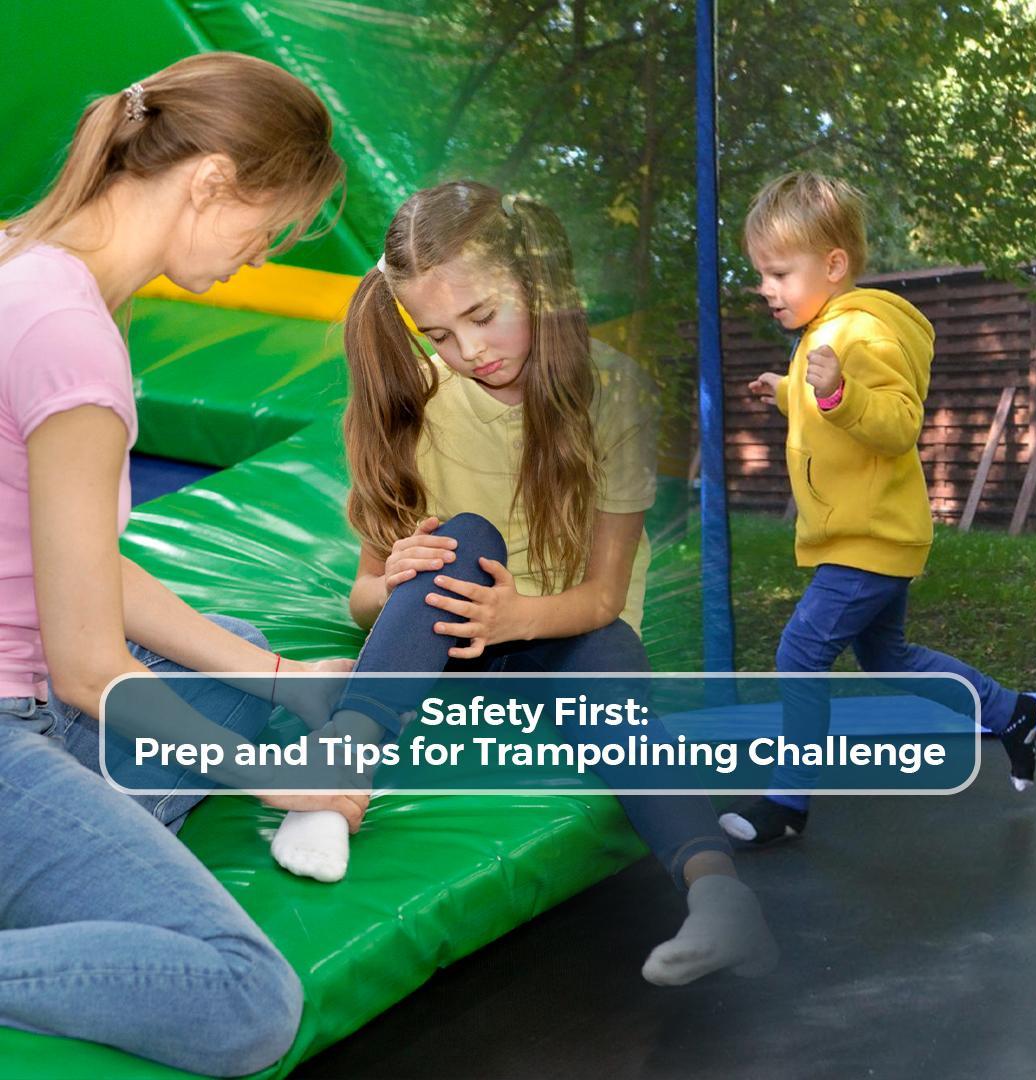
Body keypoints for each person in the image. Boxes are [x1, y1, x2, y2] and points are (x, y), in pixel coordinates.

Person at [269, 179, 778, 986]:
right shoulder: (417, 404)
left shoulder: (614, 394)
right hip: (441, 659)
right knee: (463, 536)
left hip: (565, 645)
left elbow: (604, 598)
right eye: (439, 333)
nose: (471, 351)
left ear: (538, 285)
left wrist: (515, 619)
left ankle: (717, 896)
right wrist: (395, 574)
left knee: (609, 646)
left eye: (482, 316)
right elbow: (364, 598)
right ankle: (339, 778)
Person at [0, 52, 368, 1073]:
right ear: (209, 180)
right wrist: (280, 780)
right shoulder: (71, 335)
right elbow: (88, 667)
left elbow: (76, 566)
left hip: (29, 698)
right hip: (16, 716)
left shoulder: (23, 261)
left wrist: (284, 681)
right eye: (272, 225)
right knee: (242, 996)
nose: (262, 255)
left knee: (241, 667)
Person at [720, 170, 1036, 847]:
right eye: (761, 274)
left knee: (800, 651)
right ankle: (1010, 711)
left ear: (833, 265)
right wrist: (787, 391)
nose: (766, 289)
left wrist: (836, 393)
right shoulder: (825, 330)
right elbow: (828, 408)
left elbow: (895, 425)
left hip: (869, 538)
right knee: (886, 656)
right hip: (864, 534)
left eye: (779, 273)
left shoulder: (860, 332)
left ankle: (787, 800)